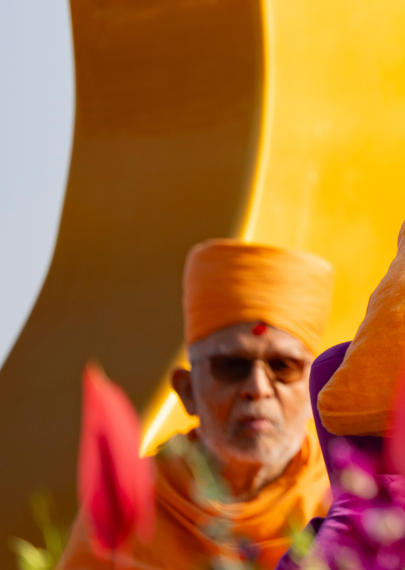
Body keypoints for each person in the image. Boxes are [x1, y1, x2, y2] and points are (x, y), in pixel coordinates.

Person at [59, 239, 334, 569]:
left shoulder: (348, 497)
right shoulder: (135, 500)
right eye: (231, 366)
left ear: (316, 387)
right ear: (187, 390)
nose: (257, 388)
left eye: (283, 367)